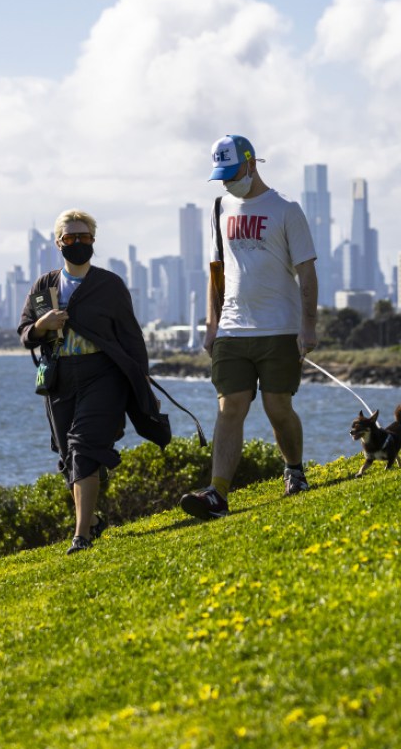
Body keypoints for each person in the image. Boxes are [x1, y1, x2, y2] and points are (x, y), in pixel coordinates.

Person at [180, 134, 318, 520]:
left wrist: (308, 326)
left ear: (251, 163)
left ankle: (294, 470)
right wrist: (212, 324)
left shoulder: (286, 209)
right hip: (232, 329)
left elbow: (307, 271)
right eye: (220, 175)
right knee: (229, 408)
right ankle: (217, 494)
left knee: (278, 408)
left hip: (279, 327)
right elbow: (216, 271)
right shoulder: (220, 207)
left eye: (232, 172)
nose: (227, 181)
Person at [20, 210, 170, 554]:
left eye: (83, 238)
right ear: (59, 243)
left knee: (84, 445)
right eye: (70, 238)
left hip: (104, 374)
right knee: (68, 456)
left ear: (93, 241)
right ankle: (93, 521)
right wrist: (42, 324)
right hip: (59, 379)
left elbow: (132, 337)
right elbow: (25, 334)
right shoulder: (44, 286)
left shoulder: (109, 285)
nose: (77, 243)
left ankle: (81, 537)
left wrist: (143, 385)